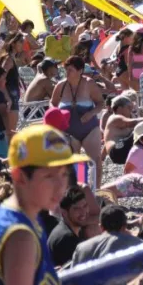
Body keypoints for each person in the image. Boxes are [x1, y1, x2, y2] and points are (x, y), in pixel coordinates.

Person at [0, 124, 89, 285]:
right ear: (20, 176)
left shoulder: (25, 218)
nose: (61, 187)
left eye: (64, 174)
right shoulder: (19, 236)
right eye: (49, 176)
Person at [51, 55, 106, 187]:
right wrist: (57, 113)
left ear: (80, 71)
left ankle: (96, 190)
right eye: (66, 70)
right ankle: (80, 187)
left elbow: (100, 103)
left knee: (95, 160)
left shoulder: (89, 84)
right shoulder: (61, 85)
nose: (67, 73)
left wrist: (91, 113)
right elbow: (52, 103)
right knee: (74, 162)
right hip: (69, 131)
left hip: (89, 129)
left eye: (70, 70)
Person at [47, 185, 92, 267]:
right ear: (64, 212)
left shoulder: (65, 229)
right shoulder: (67, 238)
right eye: (76, 208)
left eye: (85, 206)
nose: (83, 212)